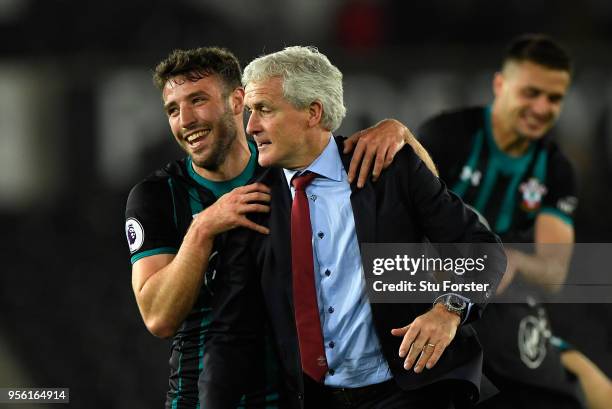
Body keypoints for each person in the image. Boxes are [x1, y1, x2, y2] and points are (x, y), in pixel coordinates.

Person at [124, 46, 422, 409]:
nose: (184, 119)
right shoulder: (158, 196)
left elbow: (425, 209)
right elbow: (158, 318)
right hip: (200, 397)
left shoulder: (287, 167)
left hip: (297, 397)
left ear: (238, 101)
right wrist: (203, 228)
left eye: (197, 100)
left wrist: (401, 134)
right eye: (173, 109)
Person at [220, 45, 506, 409]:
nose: (251, 126)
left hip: (410, 389)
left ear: (313, 112)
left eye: (264, 110)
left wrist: (448, 310)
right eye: (250, 112)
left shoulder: (388, 170)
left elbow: (482, 248)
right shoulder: (250, 203)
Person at [417, 34, 584, 408]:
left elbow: (554, 274)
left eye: (554, 99)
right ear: (500, 85)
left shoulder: (555, 169)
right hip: (431, 301)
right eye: (531, 93)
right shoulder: (445, 137)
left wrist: (512, 260)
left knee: (596, 389)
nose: (542, 108)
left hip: (507, 310)